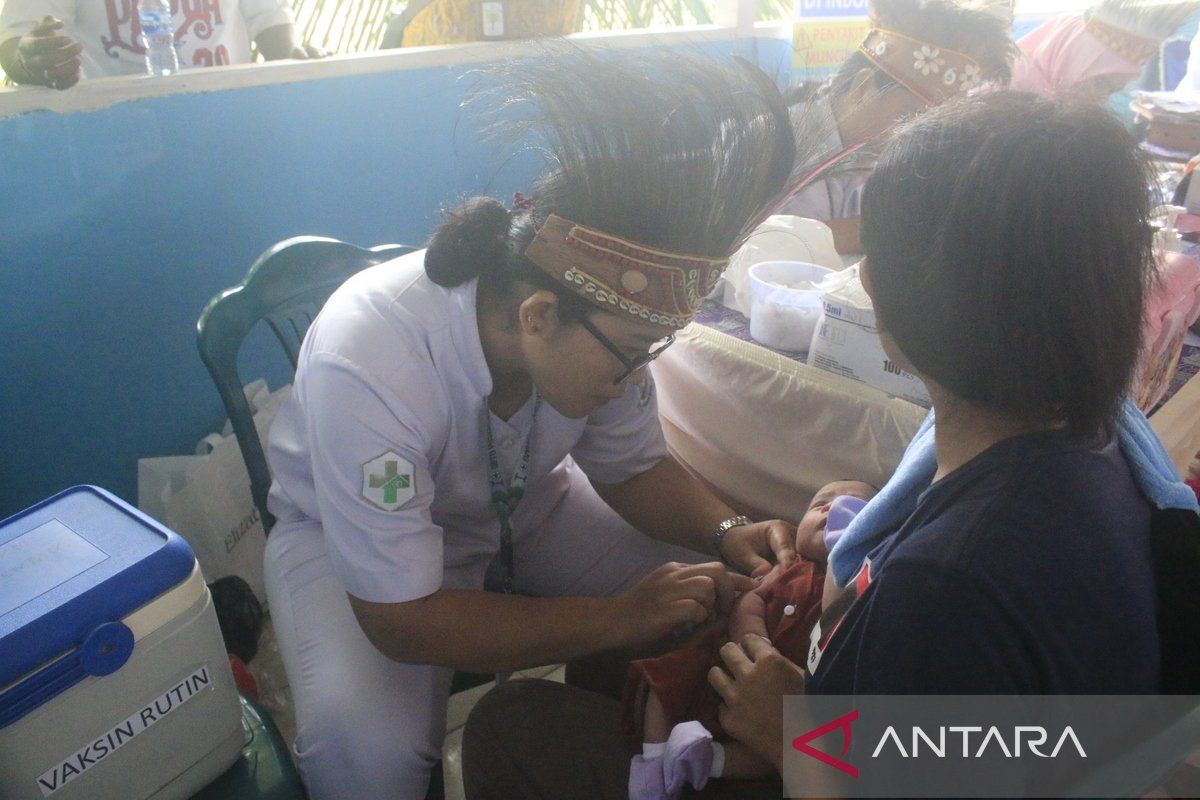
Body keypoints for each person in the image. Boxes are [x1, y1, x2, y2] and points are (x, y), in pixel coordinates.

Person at [462, 91, 1199, 798]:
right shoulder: (1101, 435)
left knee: (513, 725)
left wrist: (799, 730)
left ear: (888, 292)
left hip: (847, 750)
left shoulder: (947, 586)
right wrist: (865, 519)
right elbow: (999, 733)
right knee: (626, 658)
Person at [262, 50, 804, 799]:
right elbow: (401, 618)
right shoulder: (370, 360)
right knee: (369, 763)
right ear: (538, 316)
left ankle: (616, 738)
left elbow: (635, 467)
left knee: (701, 597)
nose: (632, 378)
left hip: (526, 504)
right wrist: (614, 619)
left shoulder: (594, 337)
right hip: (349, 548)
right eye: (631, 355)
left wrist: (725, 530)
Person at [622, 481, 876, 800]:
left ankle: (706, 761)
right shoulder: (787, 567)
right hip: (736, 658)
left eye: (850, 505)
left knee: (770, 755)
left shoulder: (858, 581)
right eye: (820, 504)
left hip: (793, 686)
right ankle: (654, 762)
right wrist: (754, 641)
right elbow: (751, 602)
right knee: (663, 680)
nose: (832, 508)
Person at [775, 0, 1014, 254]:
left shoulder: (883, 150)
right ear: (862, 87)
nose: (922, 137)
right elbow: (773, 246)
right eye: (912, 116)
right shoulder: (784, 144)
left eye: (936, 125)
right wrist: (898, 228)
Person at [0, 0, 322, 90]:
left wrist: (290, 53)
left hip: (228, 120)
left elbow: (268, 16)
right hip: (111, 132)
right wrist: (30, 60)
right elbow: (17, 43)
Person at [1012, 0, 1200, 102]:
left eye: (1113, 90)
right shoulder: (1005, 105)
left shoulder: (1056, 105)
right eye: (1100, 82)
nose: (1101, 100)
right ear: (1068, 59)